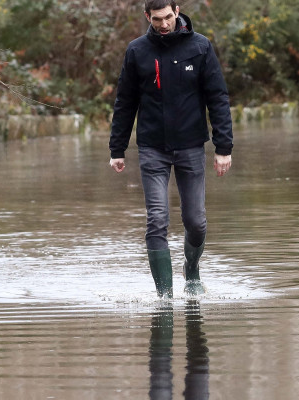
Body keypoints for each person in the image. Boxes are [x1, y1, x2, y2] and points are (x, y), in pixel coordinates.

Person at [109, 0, 234, 298]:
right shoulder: (137, 51)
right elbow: (125, 102)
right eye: (156, 20)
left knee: (196, 221)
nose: (163, 24)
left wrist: (223, 147)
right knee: (157, 220)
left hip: (191, 145)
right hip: (153, 147)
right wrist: (117, 148)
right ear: (146, 17)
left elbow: (218, 98)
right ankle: (164, 298)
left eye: (167, 17)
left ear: (177, 12)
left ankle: (192, 270)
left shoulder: (200, 47)